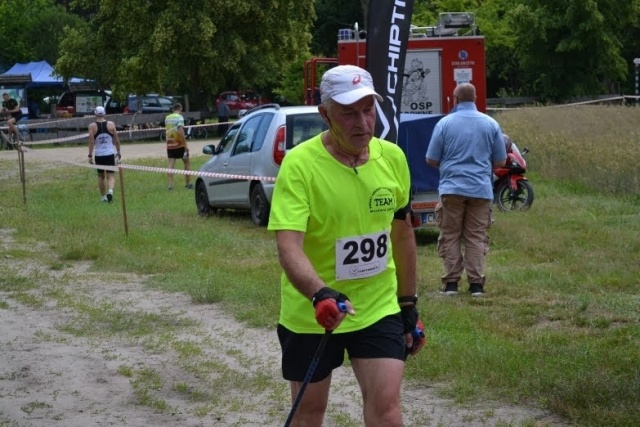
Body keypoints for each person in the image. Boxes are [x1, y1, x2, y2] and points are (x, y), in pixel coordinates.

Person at [268, 64, 426, 426]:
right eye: (349, 113)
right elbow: (288, 246)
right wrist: (319, 293)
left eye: (368, 110)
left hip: (377, 306)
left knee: (387, 411)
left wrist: (408, 304)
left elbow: (402, 235)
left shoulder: (393, 158)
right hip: (314, 311)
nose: (363, 123)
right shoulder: (299, 165)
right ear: (325, 115)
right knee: (309, 413)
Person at [425, 83, 507, 297]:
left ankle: (451, 284)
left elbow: (431, 158)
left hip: (451, 188)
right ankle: (476, 285)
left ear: (455, 99)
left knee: (450, 234)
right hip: (480, 189)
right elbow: (500, 160)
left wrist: (449, 164)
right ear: (475, 98)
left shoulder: (444, 123)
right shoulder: (491, 124)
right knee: (476, 236)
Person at [87, 106, 122, 203]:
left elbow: (91, 142)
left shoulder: (92, 126)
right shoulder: (111, 124)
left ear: (95, 113)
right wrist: (118, 151)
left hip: (99, 155)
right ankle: (110, 191)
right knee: (110, 175)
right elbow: (116, 140)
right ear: (105, 113)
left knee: (100, 176)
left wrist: (90, 155)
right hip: (109, 154)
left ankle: (103, 197)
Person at [165, 103, 193, 190]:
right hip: (179, 144)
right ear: (180, 109)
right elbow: (181, 131)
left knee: (170, 164)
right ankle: (188, 183)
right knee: (187, 163)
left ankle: (170, 185)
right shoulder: (179, 117)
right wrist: (185, 145)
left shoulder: (167, 118)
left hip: (170, 144)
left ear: (173, 109)